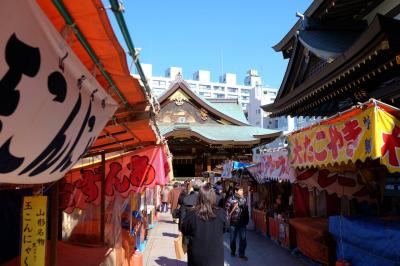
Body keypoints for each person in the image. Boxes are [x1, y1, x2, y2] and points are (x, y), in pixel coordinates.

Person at [181, 183, 227, 266]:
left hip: (196, 257)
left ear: (200, 197)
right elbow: (225, 228)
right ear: (213, 197)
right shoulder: (221, 213)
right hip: (215, 257)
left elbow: (184, 229)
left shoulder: (192, 213)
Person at [225, 184, 249, 260]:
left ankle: (241, 254)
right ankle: (233, 251)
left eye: (242, 190)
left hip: (242, 222)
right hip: (233, 223)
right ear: (236, 191)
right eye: (240, 190)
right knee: (233, 239)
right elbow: (227, 211)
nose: (242, 191)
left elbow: (246, 211)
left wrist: (247, 219)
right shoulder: (230, 199)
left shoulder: (244, 199)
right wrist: (227, 221)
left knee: (243, 239)